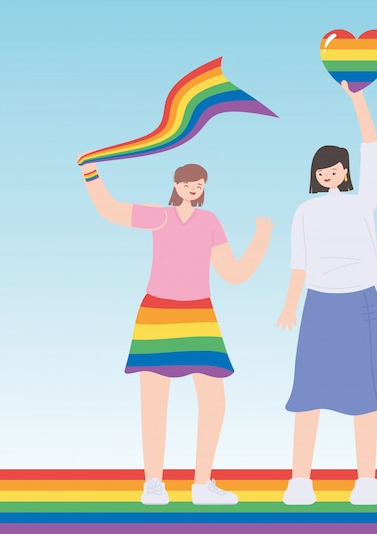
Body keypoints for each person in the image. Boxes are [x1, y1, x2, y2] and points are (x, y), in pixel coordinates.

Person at [79, 160, 273, 505]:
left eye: (199, 184)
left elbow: (234, 272)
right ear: (176, 184)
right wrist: (90, 173)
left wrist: (260, 239)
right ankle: (153, 482)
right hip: (158, 313)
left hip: (199, 314)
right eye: (187, 183)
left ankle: (202, 484)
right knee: (154, 402)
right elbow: (110, 209)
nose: (193, 188)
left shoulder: (210, 221)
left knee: (214, 401)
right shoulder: (160, 215)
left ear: (203, 187)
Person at [276, 80, 377, 506]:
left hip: (361, 303)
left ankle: (366, 479)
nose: (328, 174)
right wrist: (290, 303)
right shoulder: (305, 211)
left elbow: (372, 146)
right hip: (318, 304)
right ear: (316, 174)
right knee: (308, 392)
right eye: (321, 169)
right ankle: (300, 479)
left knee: (366, 394)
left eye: (335, 167)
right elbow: (298, 261)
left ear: (346, 170)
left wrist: (358, 101)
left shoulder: (364, 202)